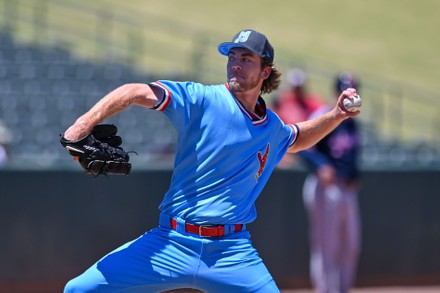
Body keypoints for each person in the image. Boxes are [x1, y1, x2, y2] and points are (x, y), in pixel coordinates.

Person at [62, 29, 360, 293]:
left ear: (265, 72)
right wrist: (82, 125)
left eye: (247, 59)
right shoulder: (201, 99)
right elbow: (134, 91)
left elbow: (297, 138)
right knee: (79, 289)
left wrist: (337, 115)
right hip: (171, 242)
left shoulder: (271, 127)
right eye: (232, 56)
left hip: (232, 253)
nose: (236, 64)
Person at [298, 71, 362, 293]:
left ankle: (343, 289)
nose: (349, 94)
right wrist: (320, 165)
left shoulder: (352, 123)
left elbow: (351, 156)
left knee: (350, 245)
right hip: (326, 189)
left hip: (347, 190)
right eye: (344, 89)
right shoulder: (324, 114)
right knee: (326, 246)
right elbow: (301, 146)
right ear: (337, 92)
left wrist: (354, 177)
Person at [270, 68, 326, 167]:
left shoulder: (312, 102)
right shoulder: (282, 101)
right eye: (295, 87)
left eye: (299, 87)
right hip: (286, 146)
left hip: (306, 147)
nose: (297, 90)